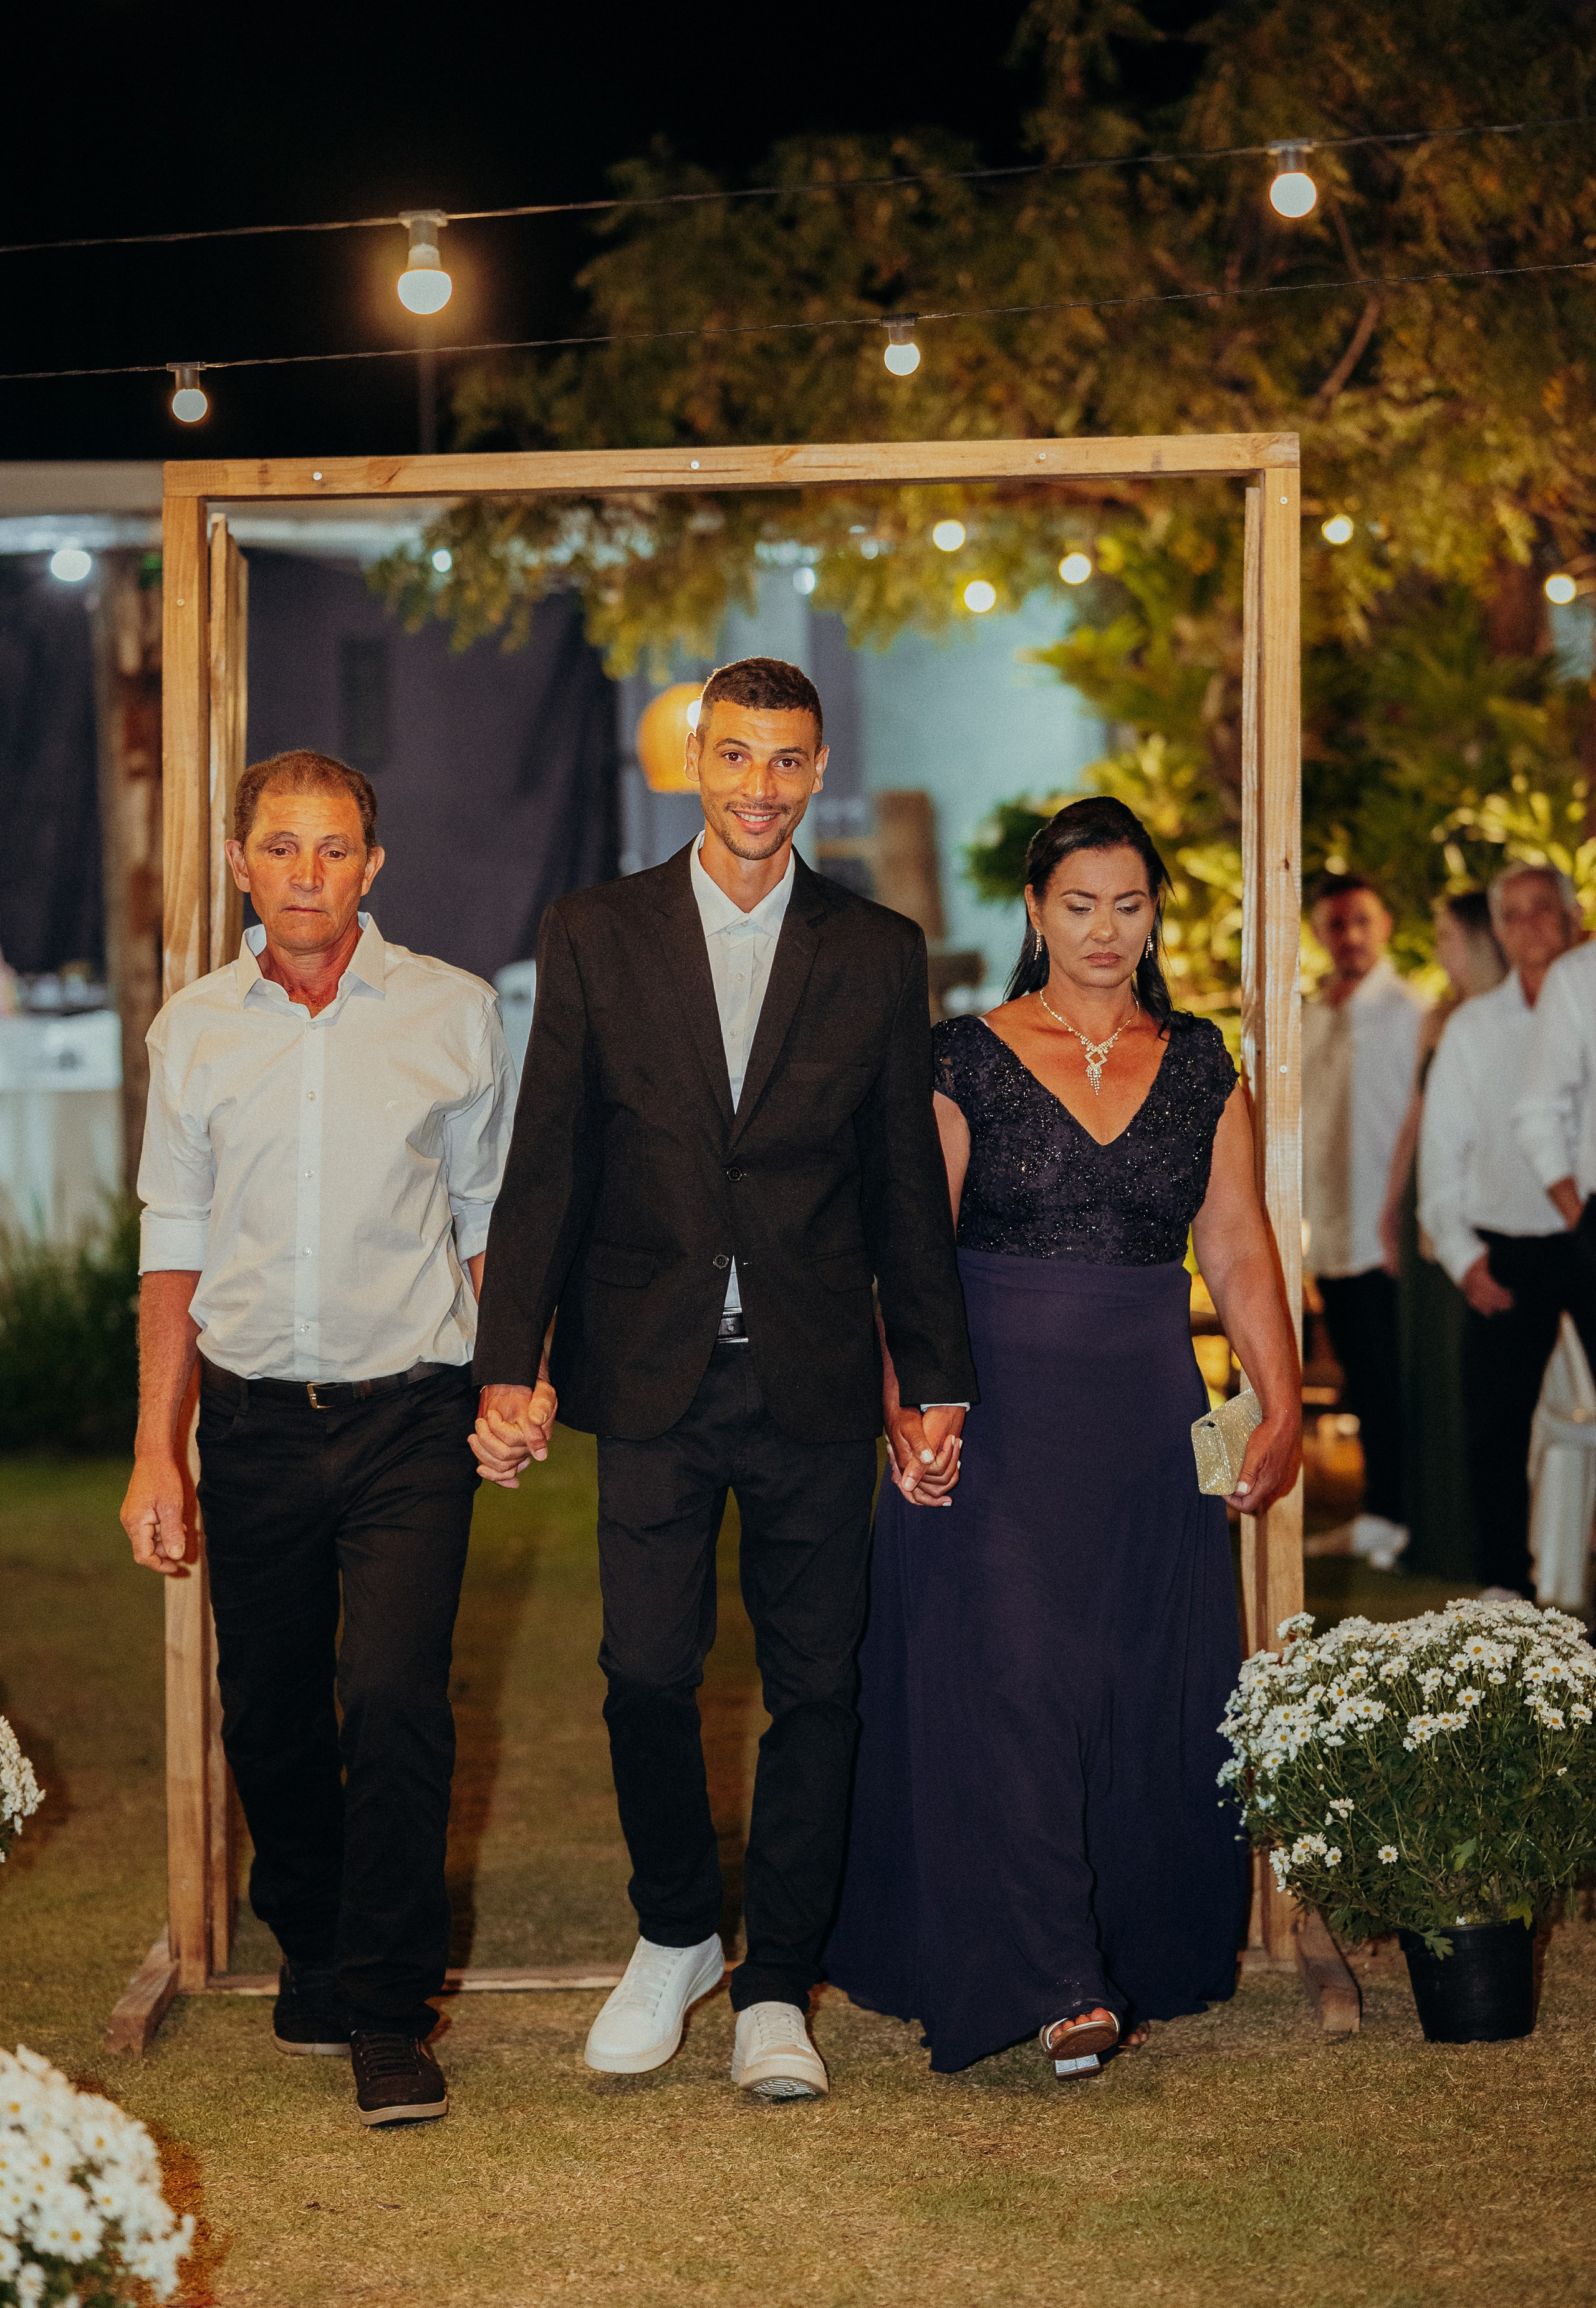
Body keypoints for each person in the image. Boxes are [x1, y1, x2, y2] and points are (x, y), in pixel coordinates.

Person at [469, 655, 976, 2103]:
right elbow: (548, 1159)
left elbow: (898, 1185)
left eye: (787, 760)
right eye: (736, 755)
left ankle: (775, 1987)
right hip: (650, 1371)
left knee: (818, 1689)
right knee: (643, 1670)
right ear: (693, 762)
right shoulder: (594, 931)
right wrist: (513, 1359)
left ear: (817, 772)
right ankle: (678, 1927)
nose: (760, 785)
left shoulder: (875, 947)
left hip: (812, 1373)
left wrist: (932, 1376)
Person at [824, 797, 1299, 2077]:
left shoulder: (1200, 1061)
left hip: (1148, 1417)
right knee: (1018, 1679)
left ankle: (1124, 1943)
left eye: (1128, 905)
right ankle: (1057, 1977)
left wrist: (1281, 1393)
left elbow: (1238, 1246)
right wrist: (901, 1404)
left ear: (1154, 917)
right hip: (995, 1415)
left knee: (1133, 1682)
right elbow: (904, 1254)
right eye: (1078, 904)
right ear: (1034, 911)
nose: (1103, 931)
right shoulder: (964, 1057)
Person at [121, 749, 511, 2128]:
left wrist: (503, 1384)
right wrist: (155, 1449)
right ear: (239, 862)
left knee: (396, 1699)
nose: (307, 873)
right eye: (280, 848)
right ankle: (312, 1936)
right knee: (269, 1713)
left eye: (333, 848)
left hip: (409, 1413)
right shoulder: (193, 1032)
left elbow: (484, 1223)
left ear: (372, 865)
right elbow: (170, 1247)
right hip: (249, 1422)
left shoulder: (455, 1016)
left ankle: (390, 2009)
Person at [1420, 865, 1584, 1597]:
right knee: (1494, 1427)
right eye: (1511, 916)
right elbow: (1441, 1157)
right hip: (1509, 1247)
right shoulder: (1472, 1028)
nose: (1528, 929)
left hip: (1589, 1236)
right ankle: (1501, 1590)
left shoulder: (1586, 996)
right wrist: (1463, 1258)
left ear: (1572, 916)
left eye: (1542, 911)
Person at [1378, 892, 1506, 1579]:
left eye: (1447, 934)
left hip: (1482, 1196)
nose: (1439, 947)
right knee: (1428, 1362)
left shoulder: (1514, 1016)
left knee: (1473, 1365)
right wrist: (1394, 1201)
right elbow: (1413, 1119)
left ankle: (1479, 1532)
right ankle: (1432, 1530)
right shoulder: (1438, 1015)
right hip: (1428, 1196)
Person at [1300, 875, 1423, 1548]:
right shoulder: (1312, 1013)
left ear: (1384, 926)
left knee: (1386, 1377)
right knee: (1356, 1370)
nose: (1347, 937)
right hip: (1329, 1228)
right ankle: (1377, 1513)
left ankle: (1395, 1516)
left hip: (1387, 1231)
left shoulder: (1410, 1011)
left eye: (1359, 922)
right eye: (1334, 924)